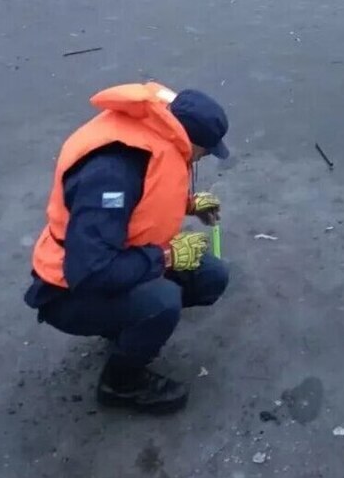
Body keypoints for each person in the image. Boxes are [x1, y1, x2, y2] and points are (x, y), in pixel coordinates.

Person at [24, 82, 230, 414]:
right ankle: (120, 384)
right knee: (163, 302)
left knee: (210, 276)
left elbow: (142, 201)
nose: (201, 159)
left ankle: (126, 326)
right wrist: (167, 256)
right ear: (189, 141)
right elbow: (89, 270)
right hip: (68, 289)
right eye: (203, 153)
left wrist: (187, 204)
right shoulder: (112, 172)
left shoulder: (158, 134)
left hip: (115, 258)